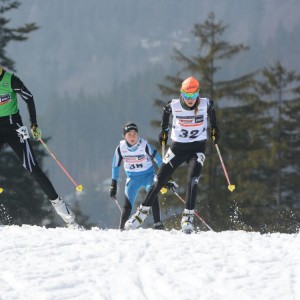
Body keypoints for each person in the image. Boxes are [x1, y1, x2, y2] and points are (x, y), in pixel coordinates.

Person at [125, 76, 221, 233]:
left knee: (193, 180)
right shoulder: (174, 105)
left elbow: (212, 111)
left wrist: (215, 128)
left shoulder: (206, 104)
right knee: (159, 179)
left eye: (194, 95)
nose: (190, 100)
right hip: (177, 149)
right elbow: (166, 111)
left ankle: (188, 218)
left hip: (197, 149)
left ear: (198, 94)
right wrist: (164, 130)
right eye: (187, 96)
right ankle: (140, 214)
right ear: (181, 93)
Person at [0, 67, 80, 229]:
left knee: (32, 168)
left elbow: (28, 97)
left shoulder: (11, 80)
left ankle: (64, 212)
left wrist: (34, 123)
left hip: (15, 129)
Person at [109, 122, 165, 230]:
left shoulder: (144, 145)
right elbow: (115, 166)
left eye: (134, 134)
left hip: (148, 176)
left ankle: (158, 224)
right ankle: (121, 229)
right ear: (124, 136)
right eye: (129, 134)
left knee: (153, 196)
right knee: (127, 206)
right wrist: (113, 184)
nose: (132, 136)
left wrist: (164, 174)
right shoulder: (120, 148)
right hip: (133, 179)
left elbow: (157, 158)